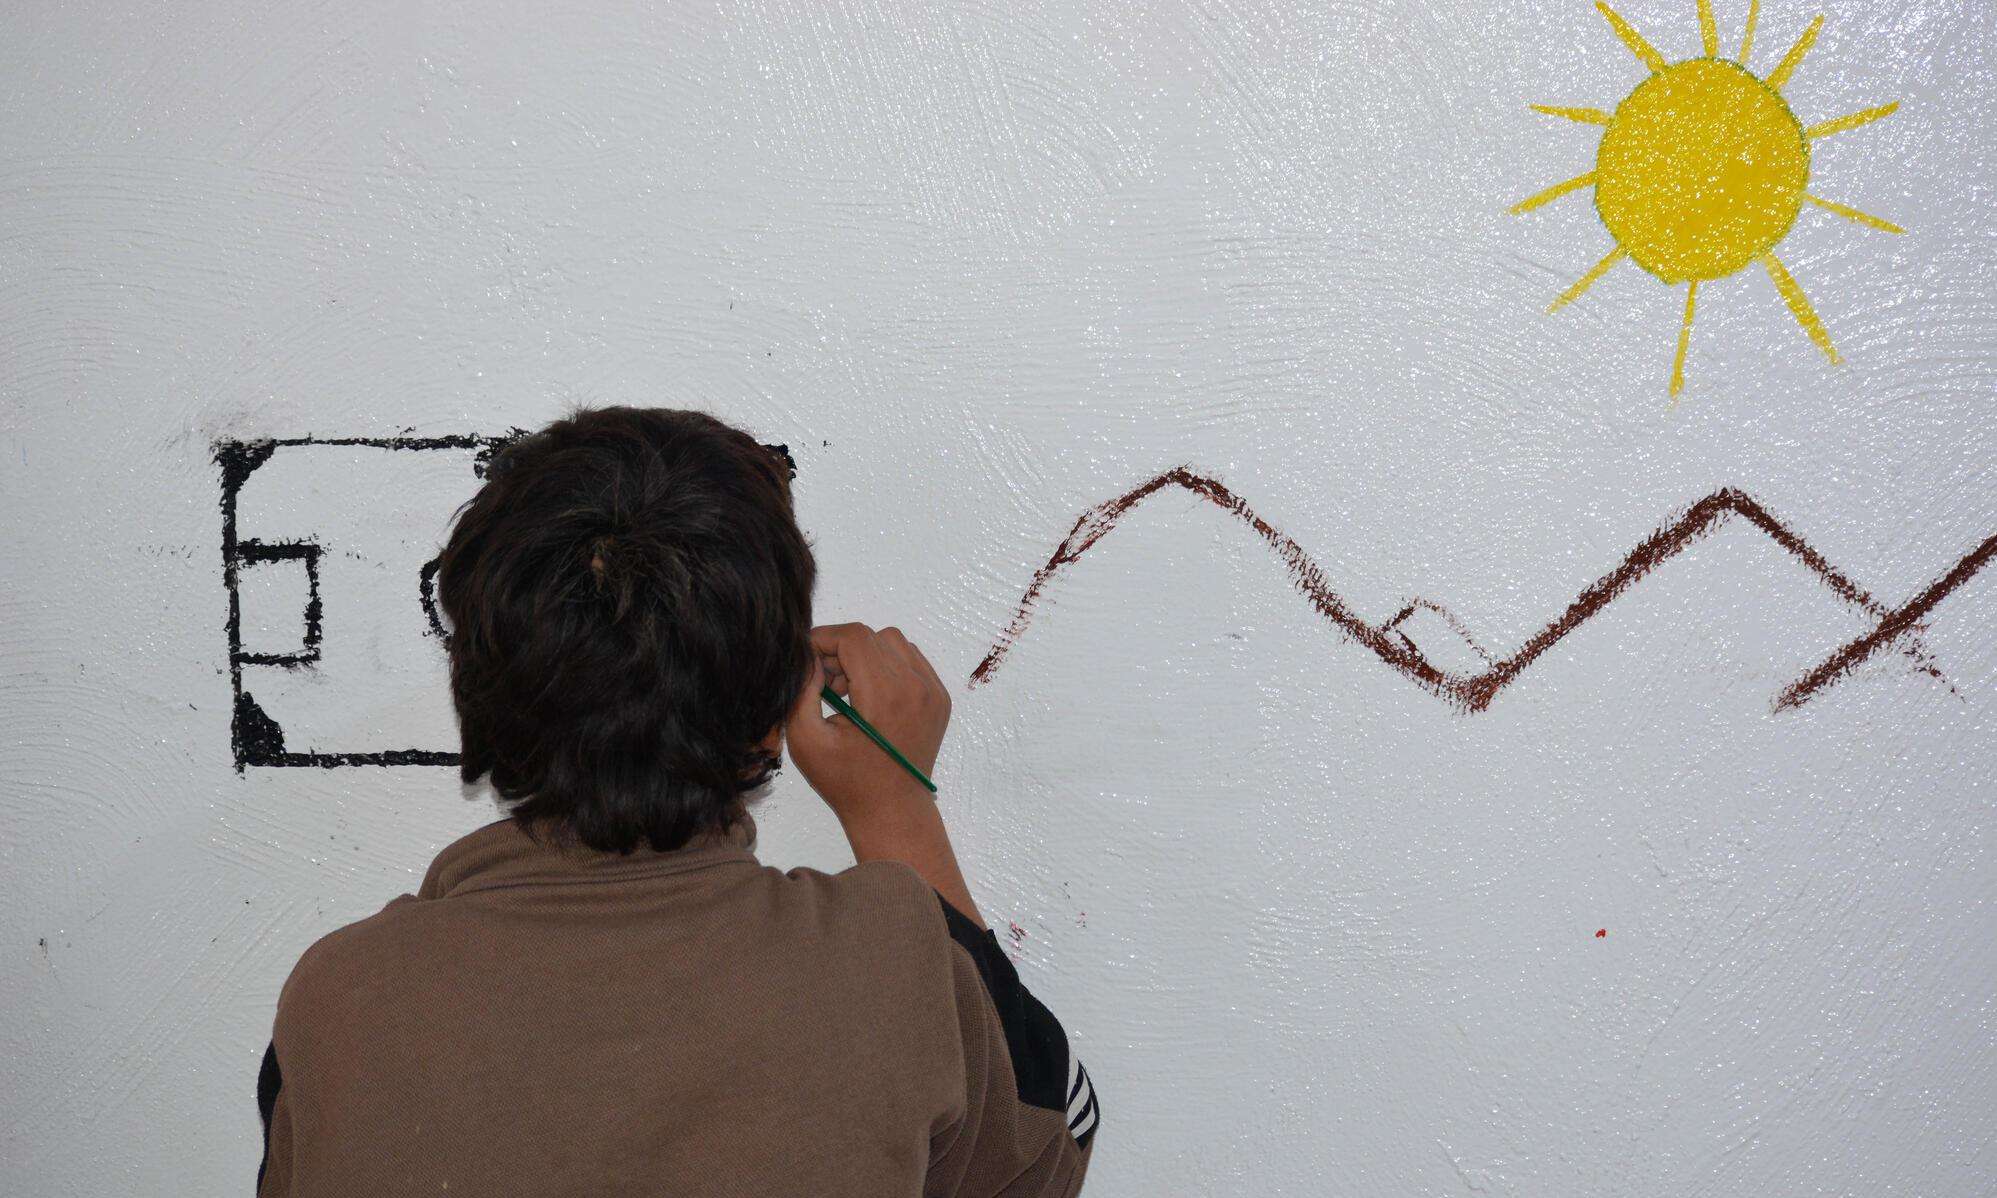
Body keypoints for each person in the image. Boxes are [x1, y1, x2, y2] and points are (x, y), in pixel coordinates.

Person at [253, 407, 1098, 1196]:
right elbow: (1042, 1157)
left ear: (475, 695)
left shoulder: (339, 1002)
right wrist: (893, 808)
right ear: (772, 719)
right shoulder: (897, 974)